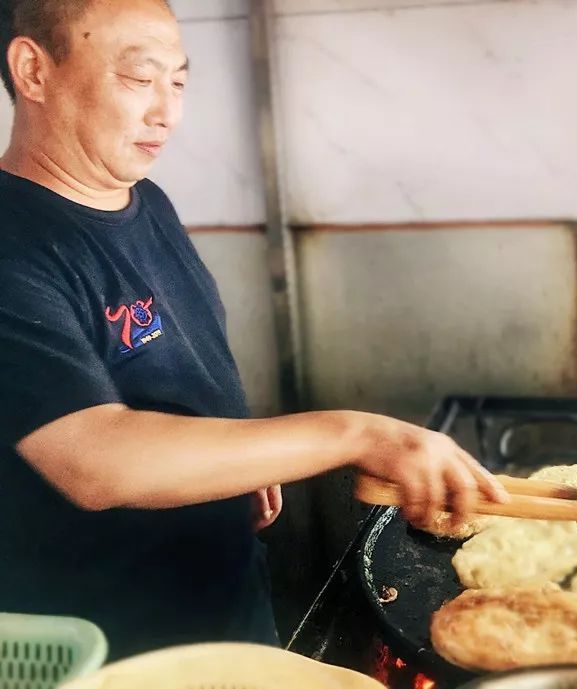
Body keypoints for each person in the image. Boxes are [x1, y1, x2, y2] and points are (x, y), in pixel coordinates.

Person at [0, 0, 507, 661]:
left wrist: (241, 454)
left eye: (178, 81)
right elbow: (93, 456)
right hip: (119, 644)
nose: (167, 113)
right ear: (33, 70)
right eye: (139, 77)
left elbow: (177, 369)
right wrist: (358, 433)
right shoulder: (15, 245)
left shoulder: (144, 200)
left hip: (226, 596)